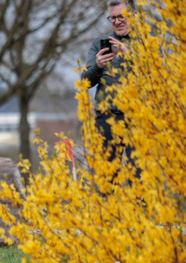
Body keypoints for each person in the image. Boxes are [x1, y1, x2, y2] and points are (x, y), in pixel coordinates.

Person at [81, 0, 135, 163]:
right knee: (109, 177)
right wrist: (97, 66)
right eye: (113, 18)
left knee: (141, 176)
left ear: (133, 15)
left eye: (121, 17)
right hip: (107, 118)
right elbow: (85, 82)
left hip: (139, 118)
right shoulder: (99, 44)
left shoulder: (147, 42)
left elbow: (158, 77)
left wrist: (131, 57)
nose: (117, 22)